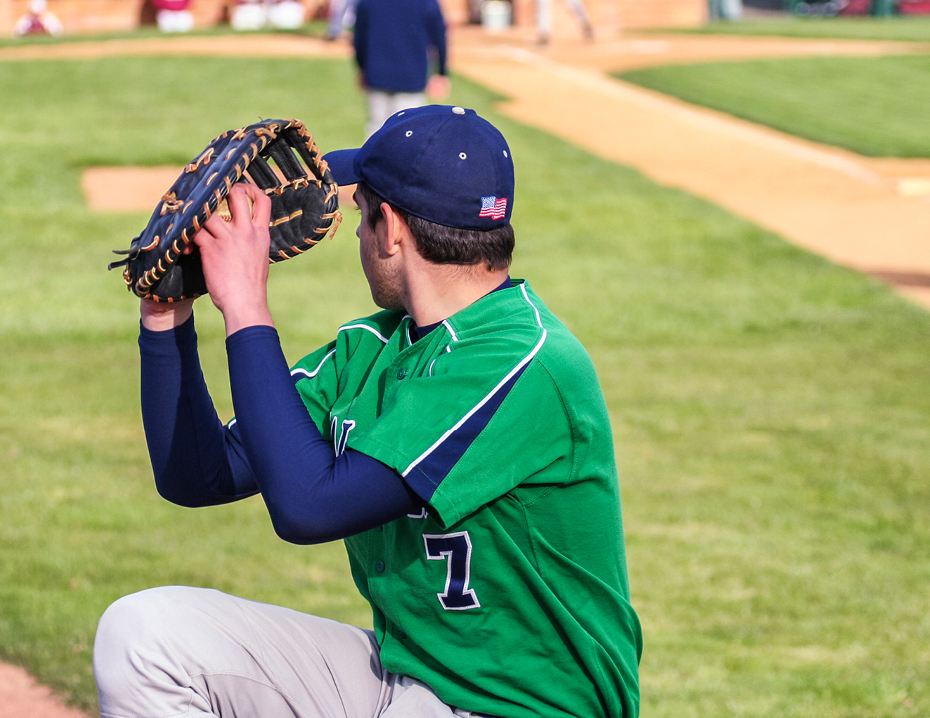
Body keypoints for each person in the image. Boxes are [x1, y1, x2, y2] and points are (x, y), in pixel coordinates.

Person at [92, 106, 642, 718]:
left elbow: (309, 506)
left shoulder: (524, 361)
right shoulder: (375, 348)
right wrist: (166, 314)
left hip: (522, 708)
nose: (356, 234)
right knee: (145, 636)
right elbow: (197, 474)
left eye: (360, 214)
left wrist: (245, 304)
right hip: (406, 678)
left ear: (392, 229)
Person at [352, 0, 450, 137]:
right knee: (407, 134)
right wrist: (442, 72)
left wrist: (362, 67)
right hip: (411, 76)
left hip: (377, 74)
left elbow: (359, 38)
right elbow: (440, 36)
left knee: (375, 132)